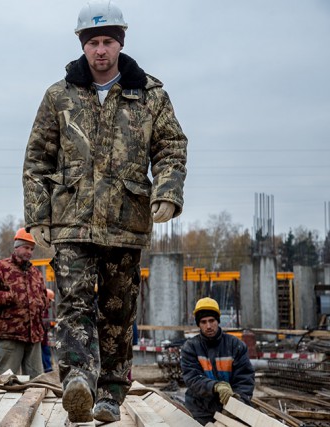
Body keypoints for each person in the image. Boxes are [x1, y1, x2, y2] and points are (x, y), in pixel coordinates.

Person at [22, 1, 188, 422]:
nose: (100, 50)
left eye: (108, 42)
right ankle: (78, 378)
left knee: (117, 309)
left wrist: (167, 191)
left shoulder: (149, 94)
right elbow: (37, 160)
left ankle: (110, 393)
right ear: (83, 45)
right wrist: (39, 216)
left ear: (120, 44)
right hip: (72, 221)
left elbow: (171, 148)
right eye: (93, 42)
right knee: (74, 303)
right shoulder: (59, 96)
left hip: (125, 221)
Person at [0, 228, 49, 378]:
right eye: (26, 247)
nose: (29, 252)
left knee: (37, 382)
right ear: (16, 247)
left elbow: (43, 296)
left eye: (31, 249)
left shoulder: (35, 273)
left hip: (34, 336)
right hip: (11, 335)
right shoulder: (0, 269)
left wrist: (42, 304)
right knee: (6, 380)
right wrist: (11, 296)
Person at [180, 297, 255, 425]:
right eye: (203, 322)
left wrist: (238, 402)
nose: (208, 326)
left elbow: (245, 379)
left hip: (228, 408)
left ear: (218, 321)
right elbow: (192, 379)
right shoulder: (190, 347)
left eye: (212, 320)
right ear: (198, 324)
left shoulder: (235, 345)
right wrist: (215, 386)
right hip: (199, 409)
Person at [41, 289, 56, 373]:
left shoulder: (45, 309)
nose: (50, 302)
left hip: (44, 336)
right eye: (49, 300)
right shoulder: (41, 308)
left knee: (46, 351)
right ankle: (47, 368)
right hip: (40, 336)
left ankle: (48, 368)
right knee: (44, 352)